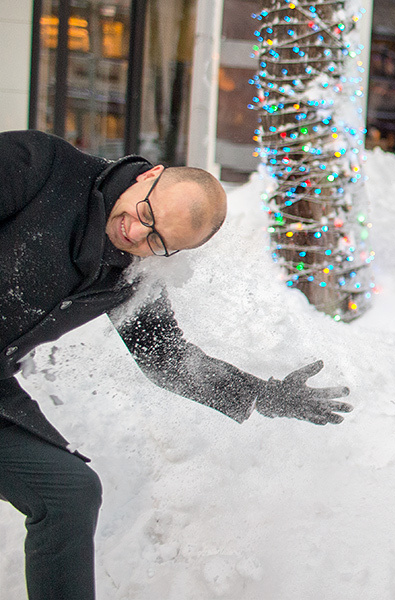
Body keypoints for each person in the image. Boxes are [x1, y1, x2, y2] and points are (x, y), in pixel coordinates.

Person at [0, 129, 353, 599]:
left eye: (158, 241)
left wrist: (263, 395)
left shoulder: (128, 274)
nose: (136, 232)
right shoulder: (40, 165)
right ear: (150, 175)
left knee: (69, 492)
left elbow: (165, 358)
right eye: (147, 213)